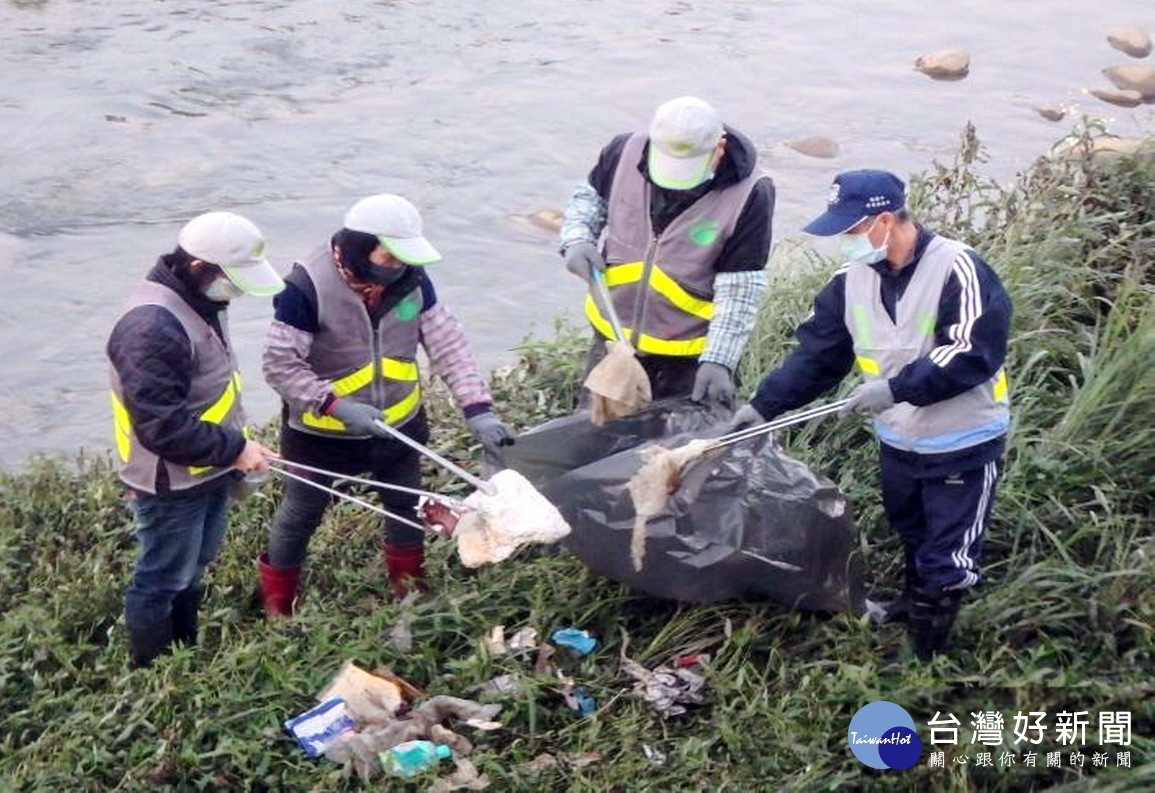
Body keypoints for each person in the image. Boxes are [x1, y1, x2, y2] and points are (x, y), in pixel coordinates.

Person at [731, 170, 1011, 660]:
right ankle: (909, 602)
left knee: (949, 552)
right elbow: (817, 357)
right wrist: (763, 405)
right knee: (911, 530)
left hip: (961, 441)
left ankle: (924, 657)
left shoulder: (958, 269)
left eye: (851, 231)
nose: (845, 242)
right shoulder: (849, 282)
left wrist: (895, 388)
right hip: (899, 440)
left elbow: (971, 352)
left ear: (885, 220)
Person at [258, 193, 514, 610]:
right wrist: (334, 405)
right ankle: (277, 604)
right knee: (301, 513)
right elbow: (279, 364)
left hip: (398, 426)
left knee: (405, 504)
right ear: (359, 248)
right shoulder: (306, 287)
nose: (396, 268)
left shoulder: (412, 279)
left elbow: (447, 343)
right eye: (388, 258)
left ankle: (409, 590)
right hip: (321, 433)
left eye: (403, 260)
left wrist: (478, 410)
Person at [107, 211, 283, 668]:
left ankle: (183, 656)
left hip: (209, 469)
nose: (238, 291)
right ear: (199, 267)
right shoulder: (151, 327)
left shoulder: (204, 302)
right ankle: (151, 671)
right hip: (170, 481)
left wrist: (237, 449)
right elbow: (161, 425)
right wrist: (235, 448)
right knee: (162, 578)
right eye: (233, 280)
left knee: (194, 568)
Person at [559, 95, 776, 411]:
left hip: (688, 356)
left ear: (719, 148)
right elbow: (589, 199)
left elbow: (740, 288)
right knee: (598, 431)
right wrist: (577, 239)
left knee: (682, 449)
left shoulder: (750, 194)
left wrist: (719, 360)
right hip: (612, 338)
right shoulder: (623, 153)